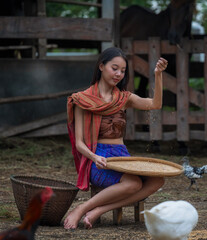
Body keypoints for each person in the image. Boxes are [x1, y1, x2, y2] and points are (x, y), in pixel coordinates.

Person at [64, 47, 167, 229]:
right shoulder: (83, 100)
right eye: (115, 68)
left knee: (157, 180)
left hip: (122, 156)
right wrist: (94, 157)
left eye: (123, 70)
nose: (119, 74)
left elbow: (155, 104)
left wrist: (158, 75)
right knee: (133, 183)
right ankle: (81, 209)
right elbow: (79, 143)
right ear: (102, 66)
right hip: (98, 159)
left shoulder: (124, 98)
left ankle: (97, 210)